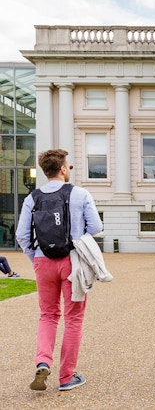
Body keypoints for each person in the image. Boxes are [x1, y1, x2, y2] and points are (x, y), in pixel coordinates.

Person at [16, 149, 103, 392]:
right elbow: (96, 227)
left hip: (43, 262)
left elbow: (22, 235)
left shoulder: (32, 198)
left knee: (48, 315)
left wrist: (36, 259)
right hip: (72, 261)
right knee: (73, 318)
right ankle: (66, 377)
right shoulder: (80, 193)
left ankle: (43, 361)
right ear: (63, 169)